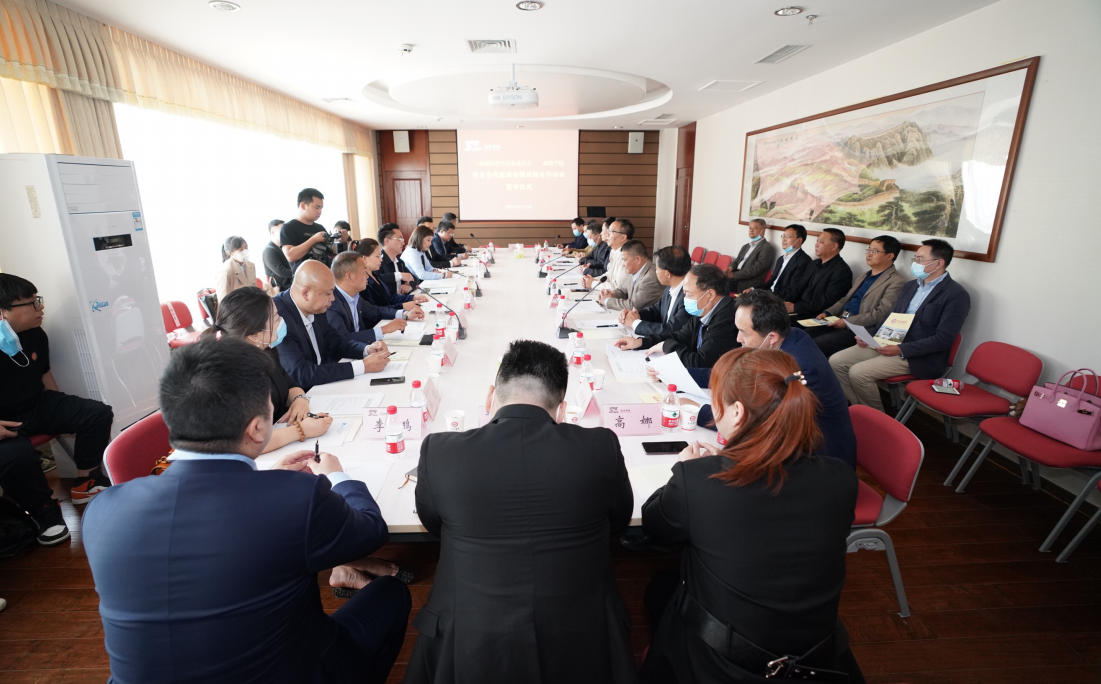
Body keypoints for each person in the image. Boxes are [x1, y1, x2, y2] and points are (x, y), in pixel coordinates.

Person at [83, 338, 411, 684]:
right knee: (391, 594)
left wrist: (267, 484)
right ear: (257, 428)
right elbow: (370, 532)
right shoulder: (297, 498)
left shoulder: (103, 508)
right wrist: (338, 477)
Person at [406, 340, 635, 684]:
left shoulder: (440, 452)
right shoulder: (601, 446)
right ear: (561, 409)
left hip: (469, 637)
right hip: (582, 634)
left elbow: (433, 524)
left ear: (490, 397)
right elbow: (618, 520)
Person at [639, 348, 862, 684]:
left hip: (721, 665)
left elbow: (657, 525)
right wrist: (728, 461)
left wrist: (687, 470)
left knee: (660, 588)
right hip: (817, 660)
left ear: (737, 412)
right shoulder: (840, 478)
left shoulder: (698, 482)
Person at [0, 275, 113, 519]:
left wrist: (59, 406)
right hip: (5, 424)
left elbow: (44, 372)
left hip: (36, 405)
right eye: (32, 303)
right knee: (17, 456)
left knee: (97, 413)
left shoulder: (35, 334)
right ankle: (45, 514)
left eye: (38, 299)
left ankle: (86, 483)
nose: (40, 307)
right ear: (2, 312)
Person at [830, 239, 971, 412]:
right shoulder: (911, 286)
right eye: (915, 258)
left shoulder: (956, 295)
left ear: (939, 263)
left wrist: (901, 349)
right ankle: (858, 410)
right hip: (888, 342)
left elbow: (944, 339)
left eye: (920, 259)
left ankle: (877, 420)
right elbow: (892, 318)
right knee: (836, 361)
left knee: (859, 373)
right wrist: (870, 336)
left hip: (916, 355)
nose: (915, 263)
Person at [205, 287, 333, 453]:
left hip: (282, 438)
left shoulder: (266, 350)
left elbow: (290, 385)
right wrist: (301, 431)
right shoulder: (228, 375)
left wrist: (299, 399)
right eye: (276, 317)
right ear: (254, 335)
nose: (281, 321)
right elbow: (245, 443)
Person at [272, 261, 391, 390]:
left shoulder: (315, 307)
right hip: (302, 394)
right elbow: (301, 374)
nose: (333, 298)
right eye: (328, 293)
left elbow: (335, 341)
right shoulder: (277, 317)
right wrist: (362, 366)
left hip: (324, 386)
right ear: (306, 293)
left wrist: (366, 349)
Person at [614, 264, 739, 369]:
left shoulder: (727, 318)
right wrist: (641, 342)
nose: (685, 299)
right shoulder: (704, 309)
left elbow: (700, 362)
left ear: (710, 295)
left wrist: (667, 346)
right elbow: (679, 336)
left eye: (689, 294)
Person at [805, 235, 905, 358]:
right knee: (805, 334)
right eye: (868, 250)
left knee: (818, 343)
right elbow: (845, 299)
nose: (869, 254)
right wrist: (828, 312)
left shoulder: (896, 281)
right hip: (840, 319)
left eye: (874, 251)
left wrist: (848, 322)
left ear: (890, 256)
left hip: (859, 328)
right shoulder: (864, 275)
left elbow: (881, 313)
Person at [327, 252, 412, 346]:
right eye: (364, 272)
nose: (367, 276)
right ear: (349, 277)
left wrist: (404, 314)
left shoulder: (354, 295)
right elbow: (343, 339)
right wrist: (384, 329)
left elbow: (376, 311)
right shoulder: (331, 302)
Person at [619, 245, 692, 337]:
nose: (655, 272)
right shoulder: (669, 289)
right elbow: (656, 311)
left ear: (667, 274)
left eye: (657, 269)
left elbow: (671, 330)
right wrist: (634, 314)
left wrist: (635, 323)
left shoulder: (689, 296)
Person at [784, 228, 853, 319]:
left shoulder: (842, 271)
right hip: (798, 307)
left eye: (821, 242)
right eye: (817, 241)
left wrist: (795, 307)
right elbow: (798, 288)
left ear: (834, 246)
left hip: (816, 315)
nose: (816, 245)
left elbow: (828, 303)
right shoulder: (813, 264)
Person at [354, 239, 430, 313]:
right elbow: (375, 310)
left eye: (381, 256)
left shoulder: (375, 275)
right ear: (364, 258)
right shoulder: (363, 282)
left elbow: (392, 297)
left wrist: (413, 297)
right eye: (377, 256)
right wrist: (402, 306)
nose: (381, 259)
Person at [751, 223, 812, 302]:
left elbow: (793, 291)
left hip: (780, 300)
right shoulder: (781, 259)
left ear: (799, 240)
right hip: (769, 295)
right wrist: (754, 289)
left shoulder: (804, 261)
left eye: (788, 236)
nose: (784, 240)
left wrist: (767, 295)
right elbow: (770, 282)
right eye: (783, 236)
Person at [598, 239, 663, 312]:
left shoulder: (650, 277)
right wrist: (611, 294)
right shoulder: (635, 270)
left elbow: (632, 305)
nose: (623, 264)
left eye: (624, 260)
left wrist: (607, 300)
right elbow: (622, 290)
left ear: (637, 259)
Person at [280, 188, 329, 272]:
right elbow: (290, 256)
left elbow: (330, 254)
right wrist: (314, 239)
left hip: (324, 274)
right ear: (303, 206)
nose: (320, 211)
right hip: (303, 277)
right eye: (316, 207)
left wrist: (340, 241)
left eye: (321, 208)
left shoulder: (320, 228)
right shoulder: (288, 227)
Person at [725, 218, 775, 292]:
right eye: (750, 228)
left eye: (755, 228)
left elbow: (756, 269)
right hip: (737, 276)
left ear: (763, 231)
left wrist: (733, 275)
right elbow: (737, 260)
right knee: (714, 280)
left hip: (748, 282)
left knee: (717, 285)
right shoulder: (746, 246)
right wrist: (730, 268)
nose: (751, 230)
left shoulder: (767, 248)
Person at [584, 218, 633, 291]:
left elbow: (617, 287)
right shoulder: (614, 251)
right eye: (607, 231)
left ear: (623, 237)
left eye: (611, 231)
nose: (607, 234)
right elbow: (609, 275)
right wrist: (593, 280)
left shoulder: (627, 255)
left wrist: (593, 284)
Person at [214, 236, 258, 301]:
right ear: (230, 252)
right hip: (237, 305)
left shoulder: (251, 265)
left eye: (246, 248)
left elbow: (254, 289)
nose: (245, 251)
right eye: (241, 249)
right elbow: (222, 299)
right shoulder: (225, 271)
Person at [377, 223, 416, 294]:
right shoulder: (378, 262)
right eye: (400, 239)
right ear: (387, 241)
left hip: (402, 299)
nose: (403, 243)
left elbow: (414, 279)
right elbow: (376, 280)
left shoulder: (400, 262)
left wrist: (408, 286)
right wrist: (400, 275)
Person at [262, 219, 294, 292]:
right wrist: (299, 272)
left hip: (291, 286)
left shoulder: (284, 247)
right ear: (273, 232)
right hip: (282, 290)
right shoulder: (269, 250)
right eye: (282, 231)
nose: (285, 233)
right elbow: (281, 271)